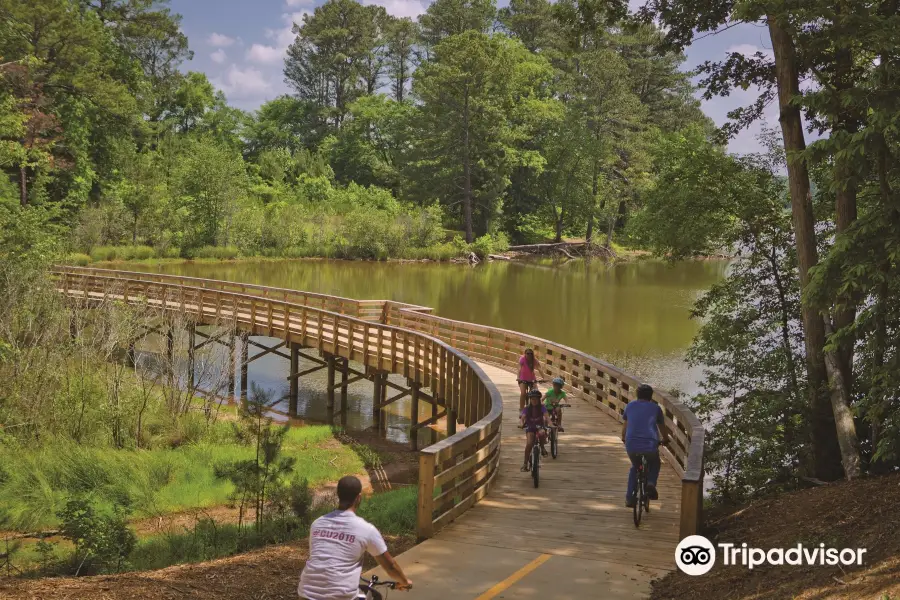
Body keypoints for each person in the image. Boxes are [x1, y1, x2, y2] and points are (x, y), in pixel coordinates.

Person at [299, 475, 412, 600]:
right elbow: (390, 566)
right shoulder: (366, 529)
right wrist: (404, 581)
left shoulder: (317, 523)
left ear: (338, 495)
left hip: (306, 593)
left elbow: (321, 557)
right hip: (339, 596)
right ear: (358, 498)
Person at [621, 383, 670, 508]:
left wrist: (623, 438)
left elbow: (625, 425)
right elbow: (662, 427)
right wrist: (665, 439)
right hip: (650, 443)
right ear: (651, 396)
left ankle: (630, 498)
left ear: (637, 394)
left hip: (631, 443)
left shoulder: (630, 406)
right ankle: (651, 483)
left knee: (635, 467)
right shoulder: (655, 408)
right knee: (655, 463)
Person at [519, 388, 550, 471]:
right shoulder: (527, 408)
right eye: (532, 399)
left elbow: (547, 417)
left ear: (539, 399)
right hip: (530, 427)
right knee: (529, 444)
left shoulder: (542, 407)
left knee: (542, 433)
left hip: (540, 426)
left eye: (536, 399)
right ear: (530, 399)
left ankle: (542, 447)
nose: (534, 401)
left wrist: (551, 424)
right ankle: (525, 464)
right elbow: (523, 418)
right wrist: (521, 424)